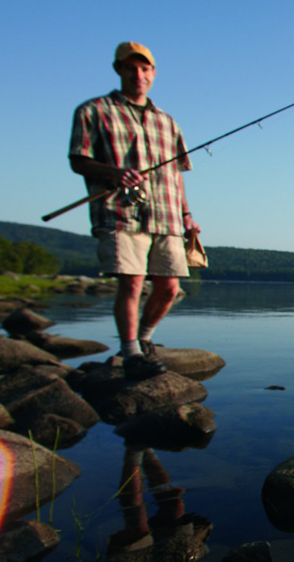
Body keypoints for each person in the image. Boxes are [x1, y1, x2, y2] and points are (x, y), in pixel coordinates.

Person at [68, 41, 199, 379]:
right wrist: (114, 173)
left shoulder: (167, 122)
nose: (138, 74)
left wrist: (187, 216)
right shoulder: (93, 110)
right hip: (119, 212)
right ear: (119, 70)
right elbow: (78, 160)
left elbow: (177, 175)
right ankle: (130, 353)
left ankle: (143, 339)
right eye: (131, 68)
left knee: (169, 288)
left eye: (144, 68)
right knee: (132, 284)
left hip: (167, 214)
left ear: (153, 74)